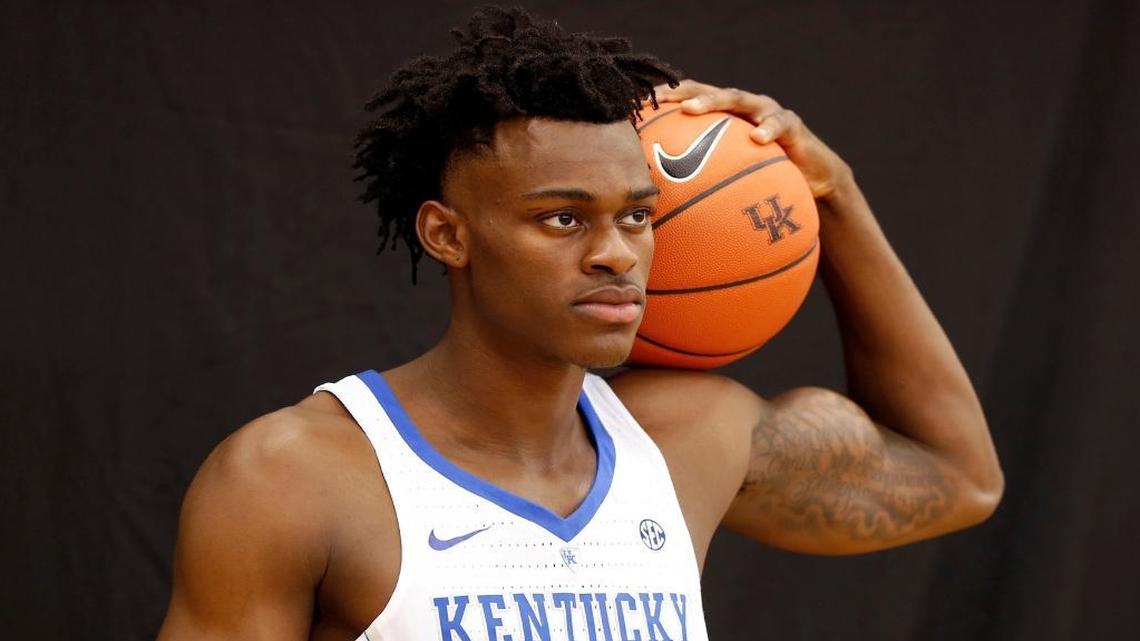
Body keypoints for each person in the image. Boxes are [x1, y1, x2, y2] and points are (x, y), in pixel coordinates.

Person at [156, 5, 1003, 640]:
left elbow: (960, 477)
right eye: (563, 219)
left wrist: (836, 198)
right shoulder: (291, 477)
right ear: (447, 234)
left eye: (637, 216)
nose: (617, 254)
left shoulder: (686, 441)